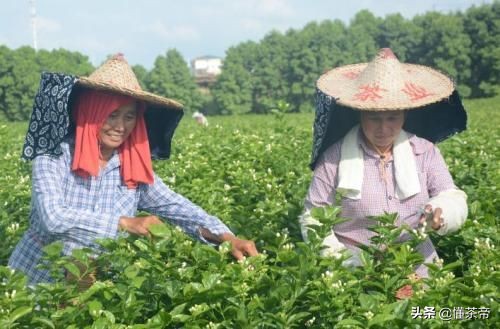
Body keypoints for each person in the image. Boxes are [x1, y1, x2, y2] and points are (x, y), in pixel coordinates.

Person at [9, 54, 257, 285]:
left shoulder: (130, 166)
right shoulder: (54, 155)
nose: (120, 126)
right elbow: (53, 218)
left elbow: (181, 209)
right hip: (36, 282)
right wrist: (126, 223)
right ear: (91, 112)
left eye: (129, 116)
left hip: (90, 285)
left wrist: (227, 237)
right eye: (112, 115)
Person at [299, 48, 468, 290]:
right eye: (374, 118)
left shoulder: (424, 151)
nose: (383, 128)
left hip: (417, 265)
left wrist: (440, 215)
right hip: (356, 272)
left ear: (404, 116)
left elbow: (451, 195)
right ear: (360, 115)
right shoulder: (334, 158)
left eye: (392, 118)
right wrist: (348, 266)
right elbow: (313, 216)